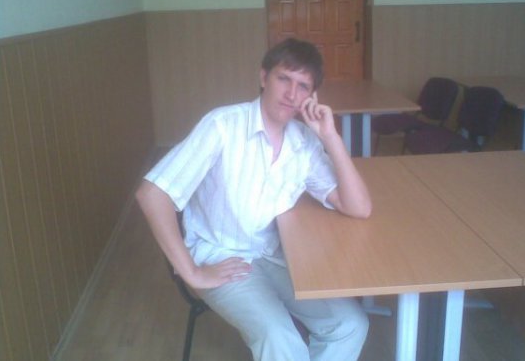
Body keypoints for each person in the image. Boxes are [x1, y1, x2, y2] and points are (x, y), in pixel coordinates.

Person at [135, 38, 373, 361]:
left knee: (351, 325)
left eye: (303, 86)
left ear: (311, 96)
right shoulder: (222, 126)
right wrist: (192, 272)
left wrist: (330, 136)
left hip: (272, 254)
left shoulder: (303, 142)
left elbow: (359, 207)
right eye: (284, 79)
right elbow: (152, 194)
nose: (291, 94)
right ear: (263, 77)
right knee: (279, 338)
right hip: (221, 254)